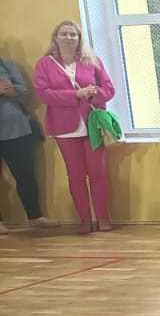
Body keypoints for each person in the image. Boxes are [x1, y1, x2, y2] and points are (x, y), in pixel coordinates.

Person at [33, 21, 114, 233]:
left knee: (98, 173)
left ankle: (103, 217)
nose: (68, 38)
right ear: (55, 38)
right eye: (64, 34)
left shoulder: (93, 61)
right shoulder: (44, 65)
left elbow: (109, 89)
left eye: (73, 34)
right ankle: (84, 218)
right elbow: (44, 94)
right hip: (64, 128)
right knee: (76, 175)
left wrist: (93, 93)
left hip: (93, 125)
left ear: (79, 39)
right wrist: (75, 95)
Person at [0, 52, 52, 229]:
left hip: (17, 129)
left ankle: (35, 216)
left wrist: (12, 90)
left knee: (26, 175)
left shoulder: (8, 65)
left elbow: (25, 91)